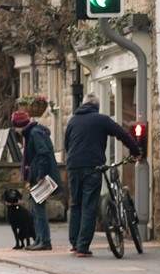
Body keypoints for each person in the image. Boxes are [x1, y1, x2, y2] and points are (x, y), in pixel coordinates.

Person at [61, 98, 139, 257]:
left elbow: (67, 144)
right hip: (92, 166)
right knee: (89, 205)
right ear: (97, 107)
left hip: (73, 166)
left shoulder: (73, 120)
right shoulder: (101, 119)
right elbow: (122, 134)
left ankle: (74, 244)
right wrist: (135, 150)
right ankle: (82, 247)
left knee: (76, 204)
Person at [13, 109, 58, 251]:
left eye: (15, 126)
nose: (15, 129)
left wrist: (40, 175)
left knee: (39, 209)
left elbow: (43, 154)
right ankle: (39, 239)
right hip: (37, 176)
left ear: (19, 125)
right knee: (35, 208)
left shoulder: (34, 133)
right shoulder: (33, 132)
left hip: (40, 177)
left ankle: (44, 241)